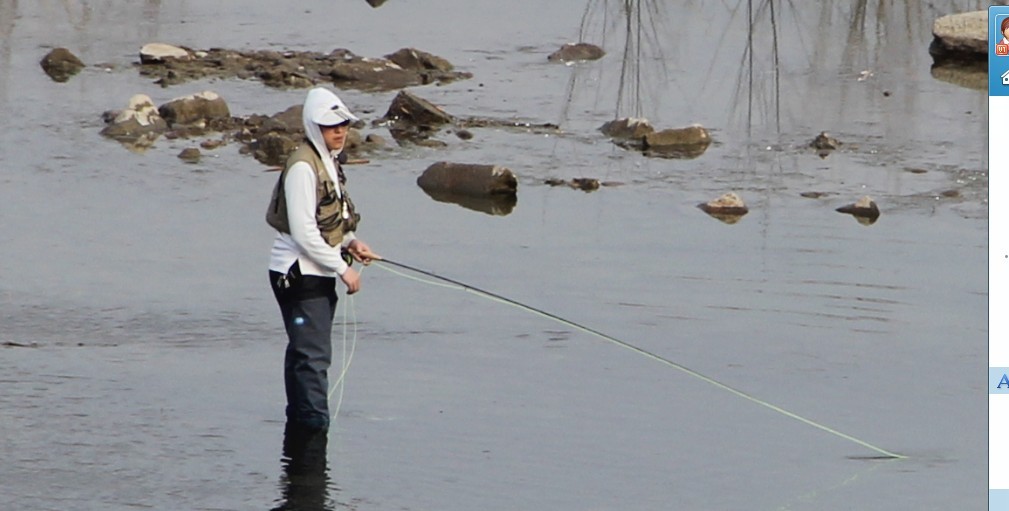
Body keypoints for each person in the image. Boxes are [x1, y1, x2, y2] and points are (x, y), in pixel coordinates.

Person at [266, 87, 379, 432]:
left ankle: (301, 429)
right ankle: (313, 432)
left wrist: (351, 242)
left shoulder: (329, 161)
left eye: (343, 124)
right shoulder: (303, 167)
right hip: (298, 276)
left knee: (305, 355)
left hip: (318, 272)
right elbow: (303, 233)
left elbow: (328, 220)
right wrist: (343, 269)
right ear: (314, 127)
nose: (340, 131)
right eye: (331, 126)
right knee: (312, 359)